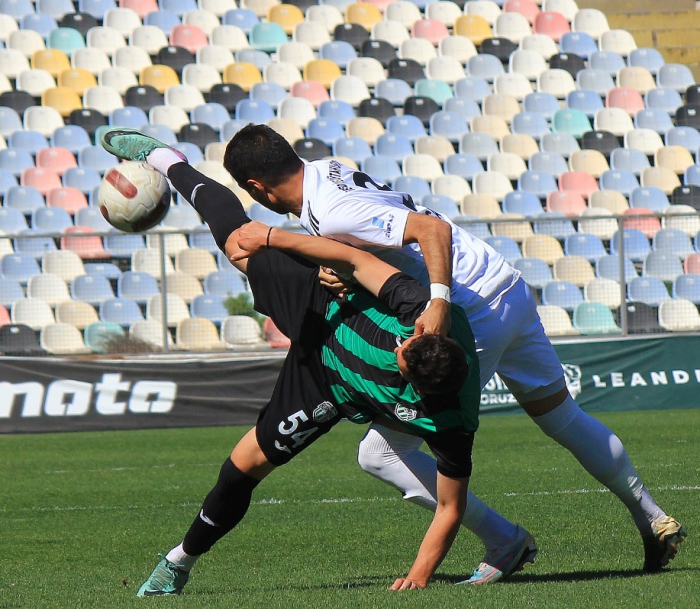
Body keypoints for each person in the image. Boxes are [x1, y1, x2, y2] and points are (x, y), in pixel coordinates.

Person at [219, 124, 687, 577]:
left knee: (379, 453)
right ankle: (652, 516)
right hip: (503, 284)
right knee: (561, 416)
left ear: (257, 187)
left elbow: (428, 231)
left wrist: (439, 298)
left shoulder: (331, 207)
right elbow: (374, 236)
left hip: (466, 310)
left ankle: (505, 540)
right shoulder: (329, 168)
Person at [101, 129, 536, 596]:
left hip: (327, 386)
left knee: (246, 463)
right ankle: (168, 160)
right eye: (407, 342)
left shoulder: (451, 421)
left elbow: (450, 506)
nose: (399, 345)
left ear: (418, 390)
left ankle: (176, 562)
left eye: (400, 356)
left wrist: (418, 578)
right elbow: (350, 254)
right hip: (323, 306)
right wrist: (279, 240)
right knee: (236, 243)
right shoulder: (419, 309)